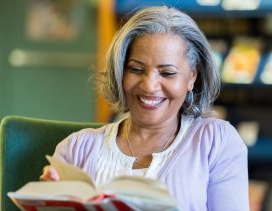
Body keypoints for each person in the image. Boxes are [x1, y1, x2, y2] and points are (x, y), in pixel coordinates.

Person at [40, 6, 249, 210]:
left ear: (192, 77)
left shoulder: (216, 142)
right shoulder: (76, 149)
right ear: (120, 72)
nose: (149, 85)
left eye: (167, 73)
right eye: (136, 69)